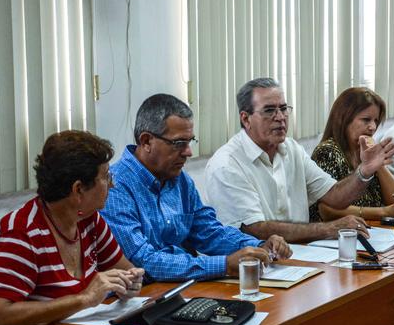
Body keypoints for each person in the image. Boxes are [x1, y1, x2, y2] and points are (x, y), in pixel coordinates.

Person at [101, 94, 290, 283]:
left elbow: (208, 232)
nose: (188, 152)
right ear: (146, 141)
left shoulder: (179, 179)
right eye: (179, 143)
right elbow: (143, 262)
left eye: (190, 141)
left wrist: (258, 246)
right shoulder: (114, 187)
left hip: (179, 289)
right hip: (142, 296)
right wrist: (224, 264)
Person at [0, 131, 145, 325]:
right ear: (78, 190)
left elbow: (126, 269)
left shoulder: (89, 220)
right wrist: (84, 298)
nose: (112, 183)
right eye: (106, 176)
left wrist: (130, 283)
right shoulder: (22, 233)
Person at [204, 78, 394, 243]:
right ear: (246, 119)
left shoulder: (291, 149)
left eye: (283, 109)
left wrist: (365, 171)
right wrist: (328, 229)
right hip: (251, 265)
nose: (280, 117)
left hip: (302, 256)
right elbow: (254, 229)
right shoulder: (227, 164)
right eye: (269, 110)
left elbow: (335, 196)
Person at [309, 87, 394, 221]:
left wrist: (378, 164)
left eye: (376, 121)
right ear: (344, 119)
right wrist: (382, 212)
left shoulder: (365, 150)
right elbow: (327, 209)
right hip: (335, 235)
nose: (372, 127)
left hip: (371, 230)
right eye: (366, 120)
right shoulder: (327, 152)